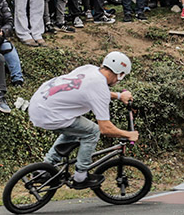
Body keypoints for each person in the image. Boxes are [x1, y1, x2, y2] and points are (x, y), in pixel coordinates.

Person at [28, 51, 138, 189]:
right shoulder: (99, 86)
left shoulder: (89, 69)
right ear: (119, 74)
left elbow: (92, 90)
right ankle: (81, 176)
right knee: (93, 131)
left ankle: (45, 168)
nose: (118, 81)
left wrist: (119, 96)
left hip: (39, 104)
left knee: (76, 128)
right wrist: (128, 134)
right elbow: (105, 128)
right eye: (121, 77)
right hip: (49, 114)